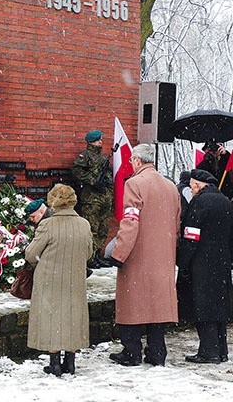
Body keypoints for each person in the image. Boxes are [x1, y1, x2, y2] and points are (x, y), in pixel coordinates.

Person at [108, 144, 181, 367]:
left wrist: (119, 253)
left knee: (132, 304)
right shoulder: (170, 187)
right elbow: (176, 223)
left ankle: (131, 352)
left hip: (138, 254)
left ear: (137, 161)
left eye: (131, 161)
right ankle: (157, 352)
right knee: (157, 307)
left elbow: (130, 221)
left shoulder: (134, 184)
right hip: (163, 256)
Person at [25, 184, 94, 376]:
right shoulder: (84, 224)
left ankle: (54, 362)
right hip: (75, 279)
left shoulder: (48, 225)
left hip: (49, 278)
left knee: (52, 317)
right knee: (73, 316)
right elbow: (88, 253)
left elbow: (31, 254)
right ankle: (70, 362)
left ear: (53, 202)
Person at [176, 169, 232, 364]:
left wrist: (182, 262)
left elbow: (191, 235)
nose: (191, 191)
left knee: (203, 306)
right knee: (219, 307)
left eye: (192, 187)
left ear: (198, 185)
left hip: (202, 263)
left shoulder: (200, 202)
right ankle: (221, 350)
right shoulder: (224, 200)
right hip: (221, 261)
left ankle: (209, 351)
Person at [71, 130, 113, 268]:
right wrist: (93, 181)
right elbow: (77, 170)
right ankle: (89, 258)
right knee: (92, 229)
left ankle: (97, 255)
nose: (101, 142)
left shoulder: (102, 158)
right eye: (98, 140)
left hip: (104, 197)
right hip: (91, 199)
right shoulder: (85, 155)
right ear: (91, 141)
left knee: (103, 229)